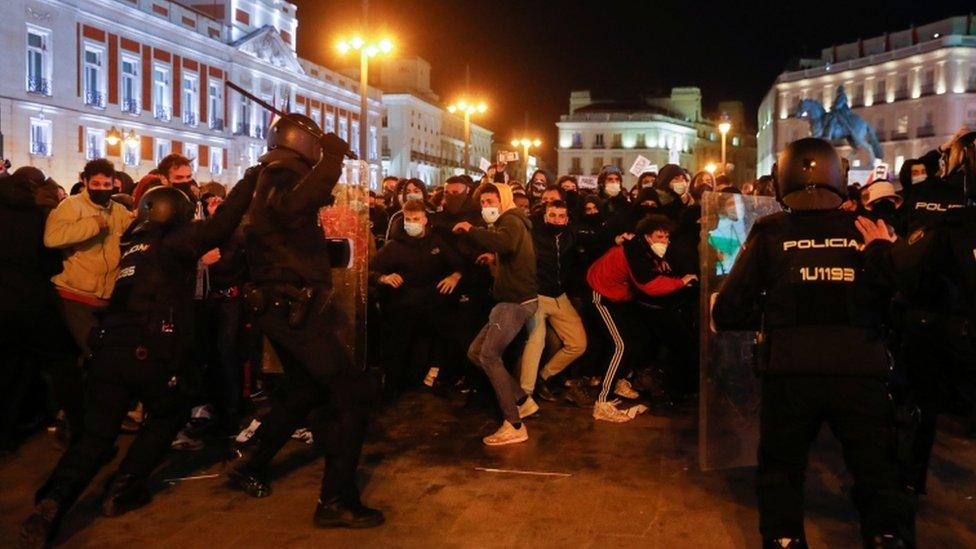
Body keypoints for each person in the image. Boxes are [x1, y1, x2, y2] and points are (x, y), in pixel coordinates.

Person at [20, 168, 259, 546]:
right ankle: (126, 485)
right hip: (152, 352)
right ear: (178, 216)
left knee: (95, 437)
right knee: (170, 411)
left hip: (110, 349)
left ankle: (51, 502)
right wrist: (253, 177)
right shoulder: (177, 242)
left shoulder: (131, 244)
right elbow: (225, 221)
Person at [712, 138, 916, 548]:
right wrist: (881, 254)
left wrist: (774, 313)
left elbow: (729, 310)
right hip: (861, 372)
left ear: (782, 178)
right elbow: (904, 298)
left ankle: (784, 539)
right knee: (877, 470)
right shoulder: (868, 228)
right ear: (837, 177)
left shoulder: (770, 232)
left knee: (782, 469)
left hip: (790, 372)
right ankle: (886, 535)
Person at [227, 113, 384, 528]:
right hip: (289, 308)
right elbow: (297, 205)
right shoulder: (283, 173)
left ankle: (252, 463)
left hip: (282, 305)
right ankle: (335, 500)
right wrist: (331, 159)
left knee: (303, 391)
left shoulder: (271, 175)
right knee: (351, 395)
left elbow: (287, 237)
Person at [587, 214, 697, 421]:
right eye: (659, 237)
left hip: (618, 296)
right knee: (621, 345)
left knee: (635, 338)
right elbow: (649, 285)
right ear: (647, 237)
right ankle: (602, 401)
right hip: (601, 295)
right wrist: (680, 282)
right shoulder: (634, 251)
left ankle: (618, 380)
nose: (664, 241)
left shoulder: (641, 248)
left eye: (666, 237)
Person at [453, 182, 538, 445]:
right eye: (484, 202)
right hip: (509, 299)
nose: (487, 206)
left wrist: (471, 230)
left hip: (514, 301)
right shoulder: (510, 221)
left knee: (489, 355)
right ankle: (522, 401)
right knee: (476, 352)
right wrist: (494, 259)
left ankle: (514, 424)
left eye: (491, 201)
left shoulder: (511, 220)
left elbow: (506, 242)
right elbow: (508, 250)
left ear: (504, 200)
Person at [0, 168, 78, 452]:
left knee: (10, 367)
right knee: (62, 361)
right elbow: (49, 263)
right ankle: (78, 427)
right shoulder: (37, 215)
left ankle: (7, 432)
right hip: (31, 301)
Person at [44, 160, 133, 405]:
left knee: (97, 359)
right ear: (85, 182)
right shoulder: (70, 206)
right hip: (75, 295)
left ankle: (86, 413)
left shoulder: (119, 211)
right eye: (96, 183)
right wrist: (93, 224)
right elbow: (52, 238)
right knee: (96, 356)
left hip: (107, 298)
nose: (102, 188)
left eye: (107, 184)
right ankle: (86, 417)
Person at [370, 199, 465, 396]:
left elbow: (458, 263)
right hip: (403, 307)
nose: (412, 222)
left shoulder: (437, 242)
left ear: (425, 219)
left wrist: (455, 276)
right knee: (398, 349)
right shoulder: (393, 246)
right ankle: (393, 388)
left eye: (416, 218)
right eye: (408, 219)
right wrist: (384, 278)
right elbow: (371, 270)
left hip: (432, 305)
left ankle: (434, 379)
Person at [520, 199, 587, 404]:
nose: (556, 220)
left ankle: (543, 377)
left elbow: (598, 237)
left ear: (567, 219)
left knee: (578, 344)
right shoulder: (533, 234)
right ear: (545, 215)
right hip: (538, 296)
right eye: (552, 215)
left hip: (560, 297)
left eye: (561, 216)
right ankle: (525, 395)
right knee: (536, 341)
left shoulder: (571, 235)